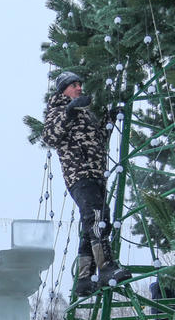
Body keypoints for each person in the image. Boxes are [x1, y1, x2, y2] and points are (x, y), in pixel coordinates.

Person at [42, 71, 132, 296]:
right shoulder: (58, 111)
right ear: (64, 90)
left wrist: (109, 119)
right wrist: (69, 112)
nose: (79, 88)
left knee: (92, 222)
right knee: (96, 218)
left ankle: (84, 278)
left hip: (97, 174)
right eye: (74, 85)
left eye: (80, 84)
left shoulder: (85, 113)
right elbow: (50, 137)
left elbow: (99, 139)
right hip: (79, 175)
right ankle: (106, 267)